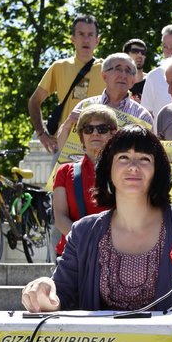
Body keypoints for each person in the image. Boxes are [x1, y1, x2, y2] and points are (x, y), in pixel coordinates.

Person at [22, 125, 172, 312]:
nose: (133, 167)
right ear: (108, 169)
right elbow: (62, 293)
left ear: (157, 171)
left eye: (144, 159)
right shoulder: (83, 231)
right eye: (123, 158)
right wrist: (45, 288)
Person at [28, 14, 105, 153]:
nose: (86, 39)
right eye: (81, 34)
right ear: (72, 39)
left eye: (90, 34)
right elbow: (34, 101)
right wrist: (41, 134)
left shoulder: (108, 69)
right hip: (66, 145)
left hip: (100, 147)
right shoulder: (59, 67)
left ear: (97, 40)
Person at [52, 105, 118, 256]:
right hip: (74, 253)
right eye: (88, 129)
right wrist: (86, 241)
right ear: (81, 136)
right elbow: (60, 218)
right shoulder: (64, 171)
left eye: (102, 129)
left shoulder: (124, 171)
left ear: (113, 134)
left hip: (116, 253)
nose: (95, 133)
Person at [56, 53, 155, 150]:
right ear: (104, 76)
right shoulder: (84, 106)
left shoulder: (142, 116)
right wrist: (67, 125)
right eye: (118, 69)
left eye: (128, 71)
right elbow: (63, 149)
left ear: (133, 81)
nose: (123, 75)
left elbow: (149, 153)